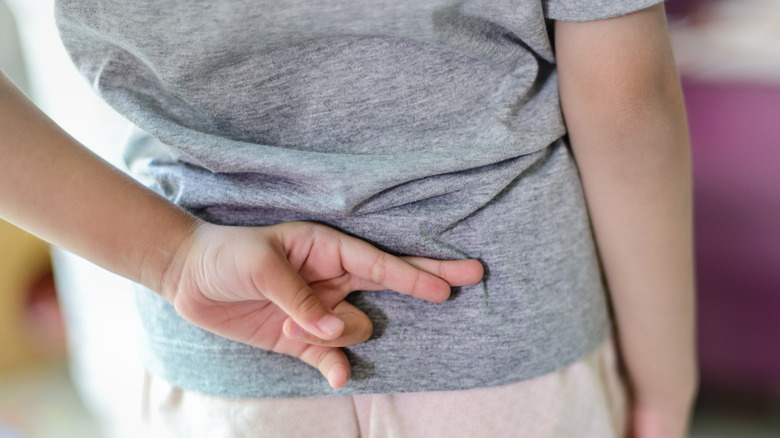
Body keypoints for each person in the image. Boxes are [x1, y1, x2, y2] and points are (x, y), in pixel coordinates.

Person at [0, 1, 697, 437]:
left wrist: (172, 256)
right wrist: (664, 381)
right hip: (513, 348)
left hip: (230, 362)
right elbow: (626, 101)